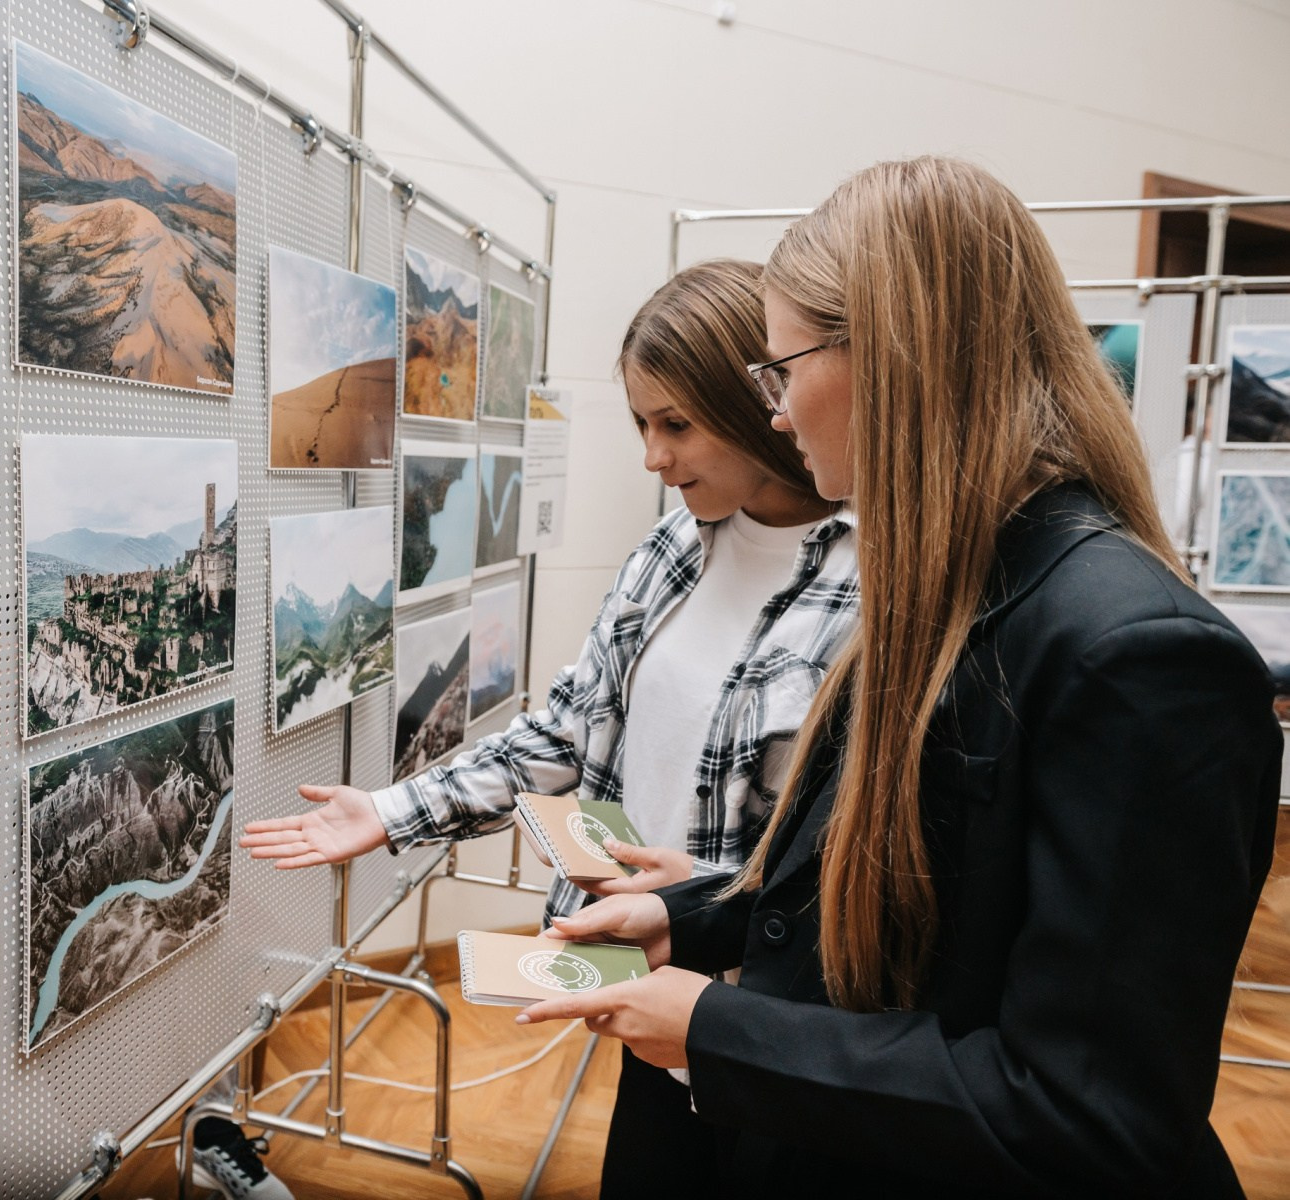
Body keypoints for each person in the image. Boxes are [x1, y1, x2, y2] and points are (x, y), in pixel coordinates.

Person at [521, 156, 1282, 1198]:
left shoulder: (1140, 658)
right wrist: (693, 919)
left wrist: (715, 1027)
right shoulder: (949, 582)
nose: (776, 413)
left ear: (892, 359)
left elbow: (1090, 1110)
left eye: (779, 370)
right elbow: (914, 882)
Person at [239, 258, 862, 1197]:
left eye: (676, 425)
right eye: (640, 426)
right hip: (644, 993)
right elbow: (567, 729)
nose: (652, 457)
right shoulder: (668, 553)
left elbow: (863, 854)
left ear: (758, 403)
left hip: (771, 1025)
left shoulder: (877, 587)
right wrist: (393, 809)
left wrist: (715, 905)